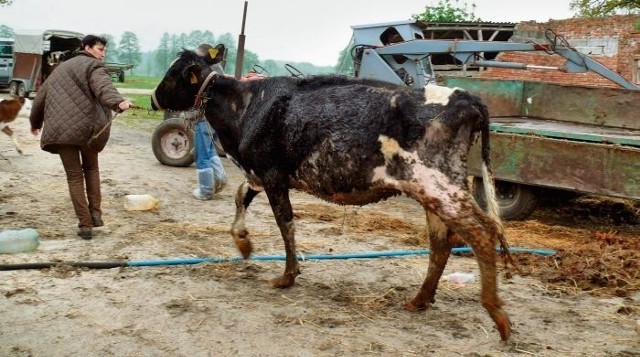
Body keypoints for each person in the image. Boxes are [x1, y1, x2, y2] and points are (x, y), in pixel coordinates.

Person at [29, 35, 132, 240]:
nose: (102, 54)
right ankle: (95, 215)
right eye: (100, 49)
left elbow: (39, 98)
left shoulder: (60, 69)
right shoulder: (94, 67)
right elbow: (103, 87)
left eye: (104, 50)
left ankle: (85, 225)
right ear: (86, 47)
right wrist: (118, 102)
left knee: (74, 177)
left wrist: (35, 123)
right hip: (88, 130)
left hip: (60, 131)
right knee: (91, 169)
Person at [191, 43, 228, 200]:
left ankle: (205, 190)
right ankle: (220, 180)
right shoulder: (219, 69)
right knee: (210, 149)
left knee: (202, 154)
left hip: (203, 117)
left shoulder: (203, 71)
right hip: (216, 118)